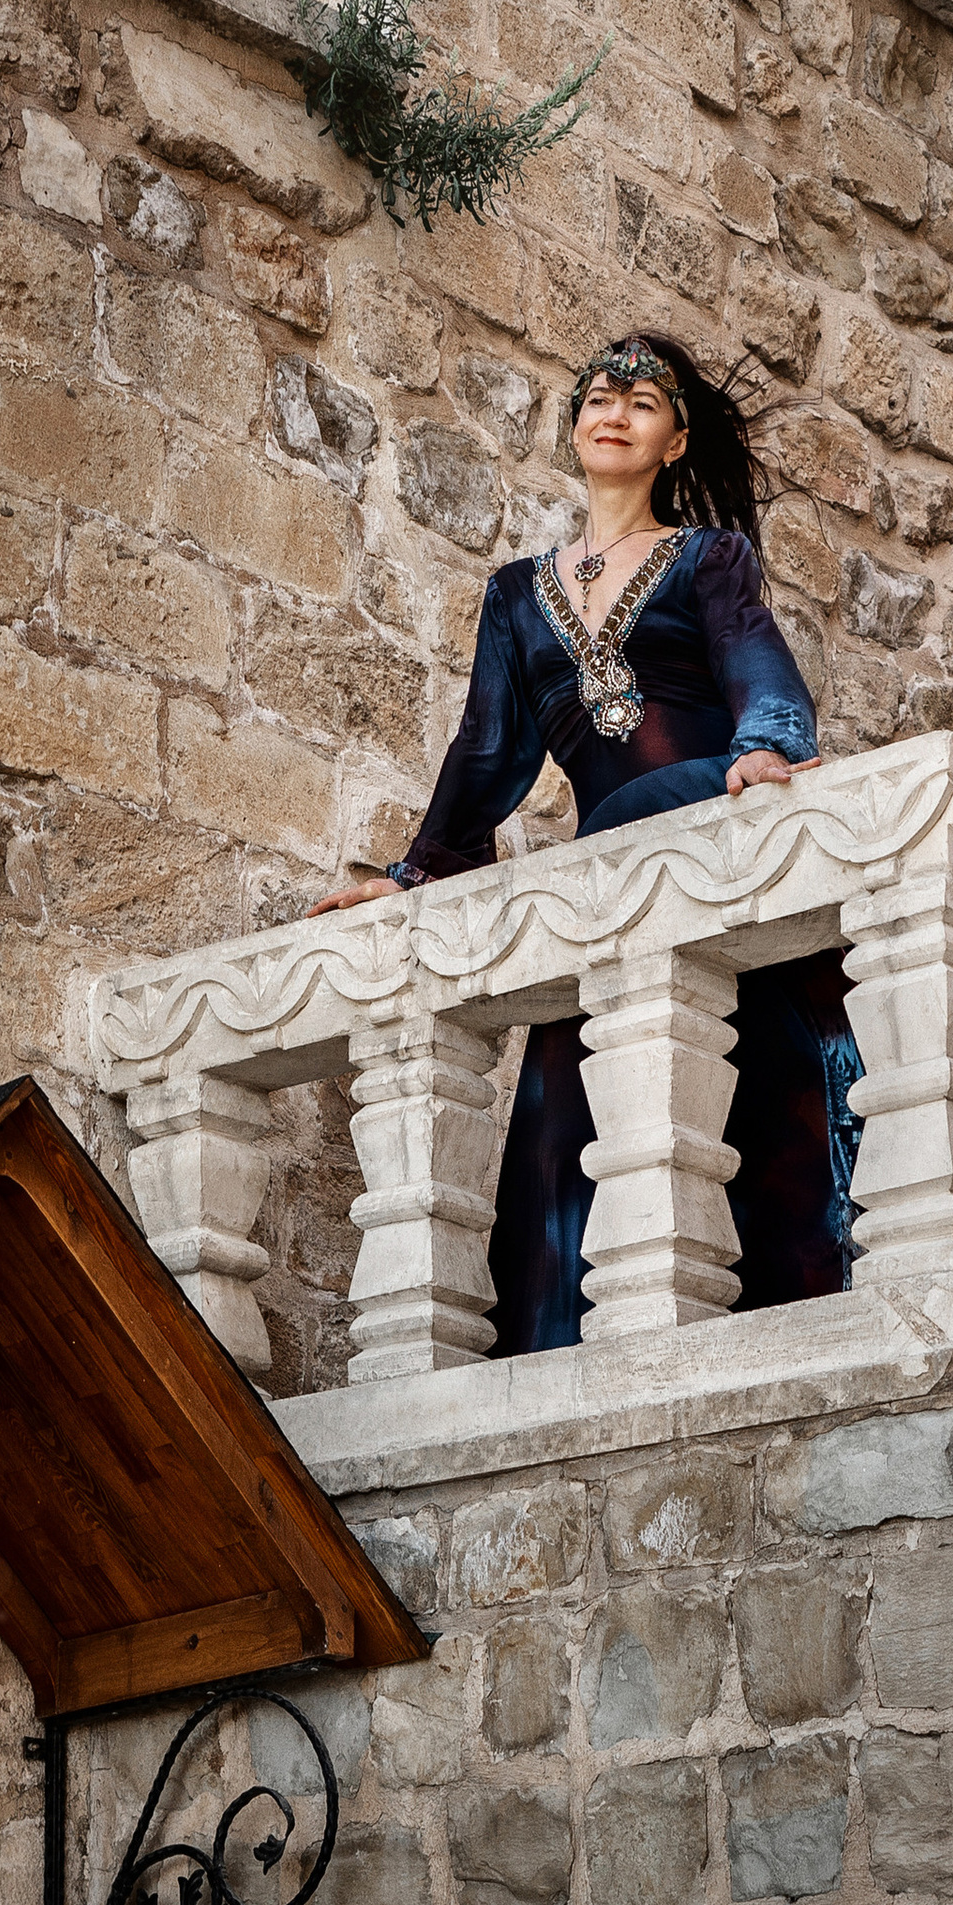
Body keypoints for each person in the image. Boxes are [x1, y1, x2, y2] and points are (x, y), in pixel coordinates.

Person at [311, 333, 859, 1355]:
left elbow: (757, 665)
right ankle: (570, 1333)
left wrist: (766, 748)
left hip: (706, 823)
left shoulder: (707, 558)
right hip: (607, 869)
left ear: (674, 440)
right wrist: (417, 872)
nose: (614, 412)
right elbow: (488, 749)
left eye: (642, 403)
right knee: (589, 1082)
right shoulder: (517, 596)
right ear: (575, 426)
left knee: (753, 1083)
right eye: (598, 397)